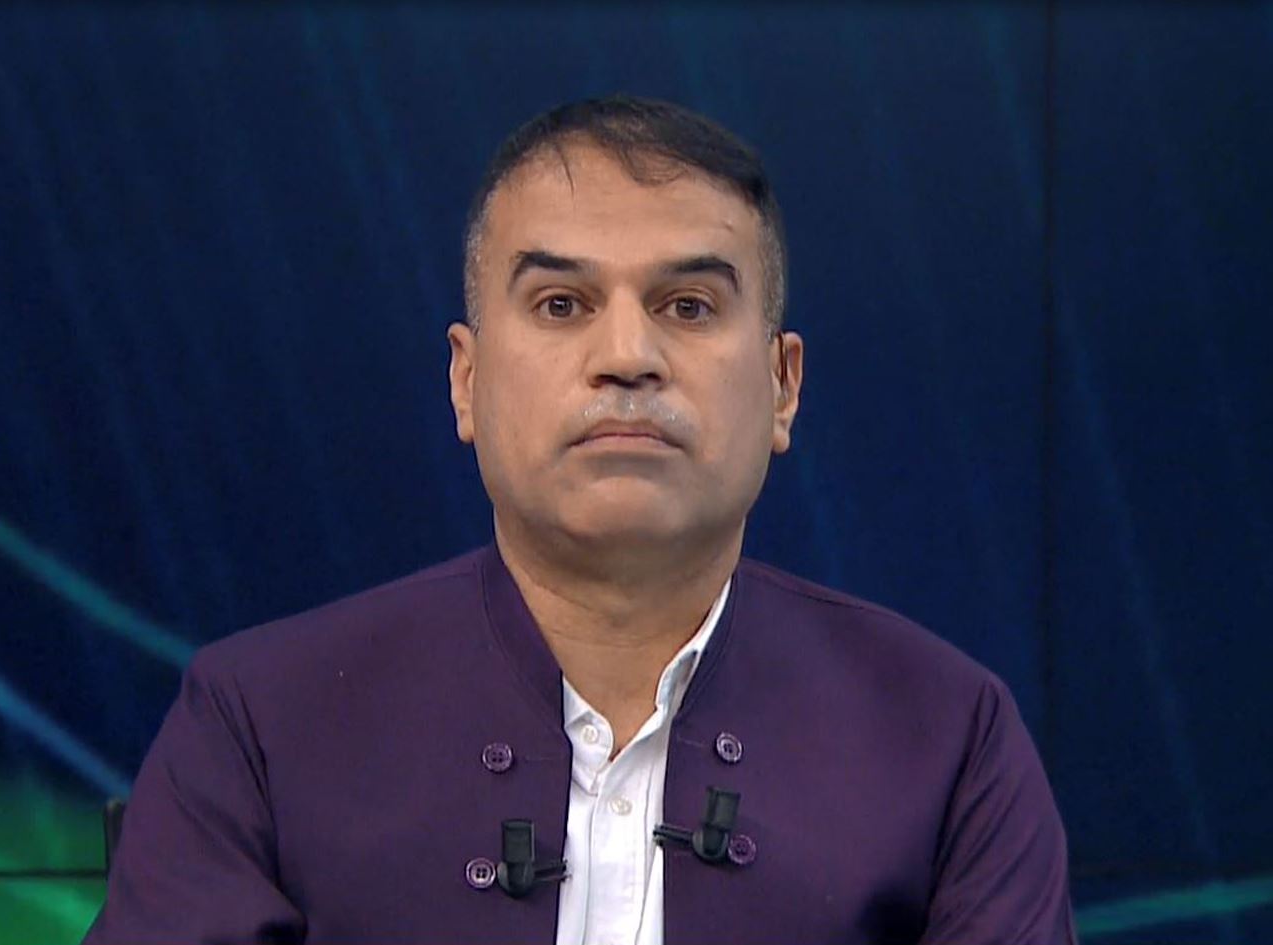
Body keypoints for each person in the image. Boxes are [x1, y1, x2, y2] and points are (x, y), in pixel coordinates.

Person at [83, 96, 1076, 945]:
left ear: (782, 386)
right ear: (467, 380)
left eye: (689, 306)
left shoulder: (947, 742)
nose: (627, 356)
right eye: (562, 305)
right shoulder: (257, 725)